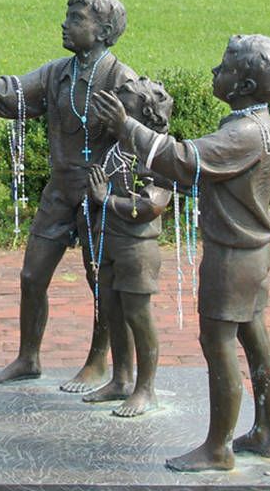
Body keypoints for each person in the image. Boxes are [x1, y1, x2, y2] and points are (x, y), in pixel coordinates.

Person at [94, 34, 270, 471]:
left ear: (241, 87)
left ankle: (218, 448)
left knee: (218, 343)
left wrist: (127, 125)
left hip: (232, 257)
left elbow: (186, 159)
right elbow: (202, 172)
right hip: (251, 255)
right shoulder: (258, 124)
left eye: (223, 67)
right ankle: (264, 434)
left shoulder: (242, 133)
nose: (213, 72)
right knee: (254, 338)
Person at [0, 0, 135, 390]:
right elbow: (13, 93)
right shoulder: (58, 73)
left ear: (105, 31)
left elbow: (141, 140)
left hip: (99, 195)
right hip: (60, 191)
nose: (65, 23)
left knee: (101, 283)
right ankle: (28, 357)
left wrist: (117, 173)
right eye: (68, 15)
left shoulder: (121, 81)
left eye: (77, 18)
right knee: (32, 275)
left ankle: (98, 361)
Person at [82, 77, 173, 417]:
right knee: (111, 309)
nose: (111, 110)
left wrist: (107, 200)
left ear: (145, 116)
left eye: (122, 106)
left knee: (137, 313)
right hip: (107, 240)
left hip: (137, 246)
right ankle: (121, 378)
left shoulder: (157, 152)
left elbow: (152, 205)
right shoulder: (111, 147)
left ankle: (145, 388)